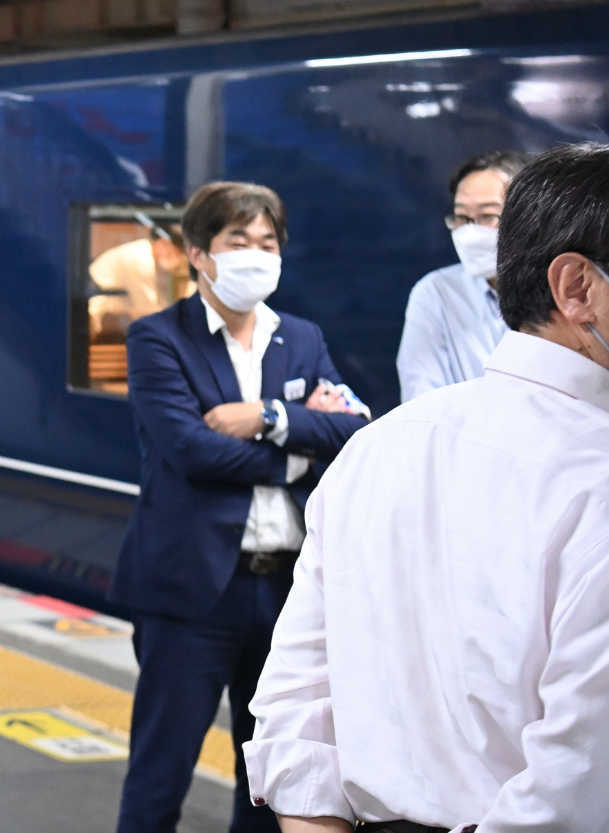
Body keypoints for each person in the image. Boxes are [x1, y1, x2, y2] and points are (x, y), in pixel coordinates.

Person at [246, 143, 609, 832]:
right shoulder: (598, 481)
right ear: (577, 288)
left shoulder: (379, 447)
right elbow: (579, 789)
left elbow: (297, 698)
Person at [111, 182, 370, 833]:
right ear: (198, 254)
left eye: (268, 242)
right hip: (192, 593)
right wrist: (298, 450)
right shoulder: (157, 340)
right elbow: (191, 451)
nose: (257, 255)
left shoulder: (302, 338)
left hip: (287, 590)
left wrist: (268, 416)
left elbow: (356, 430)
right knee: (160, 770)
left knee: (270, 773)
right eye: (238, 241)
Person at [395, 150, 531, 401]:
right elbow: (421, 400)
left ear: (528, 217)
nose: (470, 231)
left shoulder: (562, 292)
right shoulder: (436, 294)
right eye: (461, 217)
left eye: (487, 216)